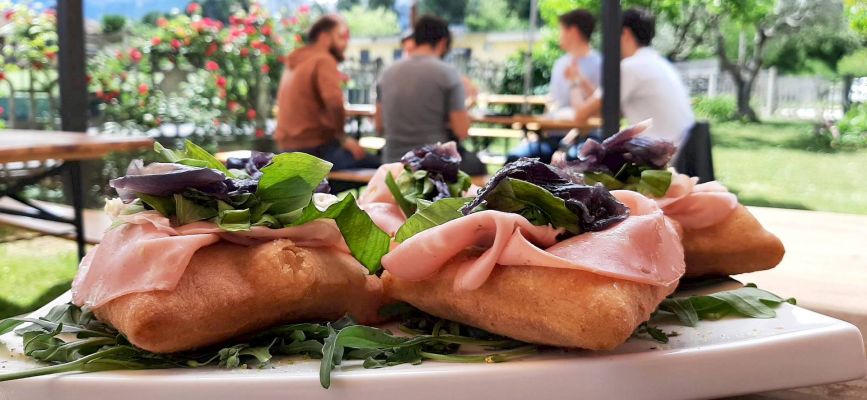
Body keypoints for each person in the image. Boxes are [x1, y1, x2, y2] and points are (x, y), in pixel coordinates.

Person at [556, 8, 694, 163]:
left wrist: (574, 82)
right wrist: (581, 79)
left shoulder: (630, 67)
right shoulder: (655, 62)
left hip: (659, 157)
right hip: (680, 149)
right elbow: (605, 108)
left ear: (625, 33)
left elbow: (581, 115)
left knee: (581, 163)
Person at [375, 15, 486, 175]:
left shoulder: (386, 74)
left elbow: (379, 126)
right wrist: (470, 103)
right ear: (442, 43)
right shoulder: (448, 74)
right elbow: (462, 130)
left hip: (392, 164)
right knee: (478, 167)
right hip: (433, 167)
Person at [274, 15, 379, 170]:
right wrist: (343, 138)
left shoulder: (296, 60)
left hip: (287, 151)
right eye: (341, 37)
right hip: (316, 152)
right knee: (382, 166)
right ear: (324, 37)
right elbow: (334, 102)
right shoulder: (323, 59)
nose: (345, 44)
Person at [506, 9, 601, 164]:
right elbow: (553, 104)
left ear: (573, 31)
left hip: (584, 138)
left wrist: (566, 143)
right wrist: (534, 134)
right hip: (552, 138)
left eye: (561, 30)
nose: (559, 35)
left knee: (572, 159)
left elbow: (599, 111)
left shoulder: (600, 64)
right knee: (515, 158)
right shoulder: (560, 63)